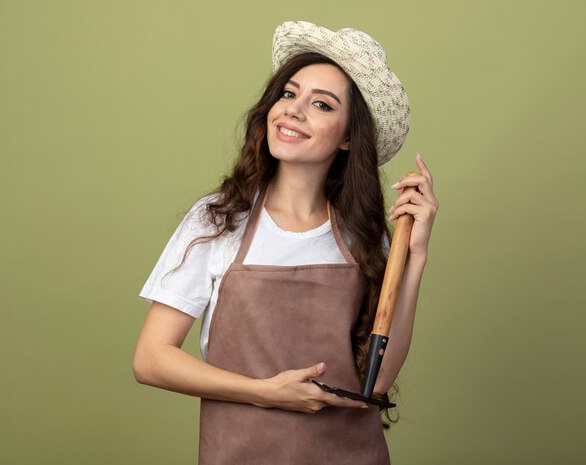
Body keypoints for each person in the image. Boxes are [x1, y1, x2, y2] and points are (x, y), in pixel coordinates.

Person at [133, 21, 438, 465]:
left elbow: (375, 381)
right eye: (289, 94)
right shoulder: (220, 219)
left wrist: (416, 256)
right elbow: (150, 359)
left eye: (322, 104)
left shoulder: (365, 236)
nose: (294, 111)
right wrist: (264, 393)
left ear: (350, 136)